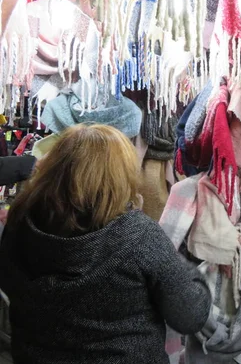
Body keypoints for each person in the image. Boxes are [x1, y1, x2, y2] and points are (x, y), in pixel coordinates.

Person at [0, 124, 211, 364]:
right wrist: (191, 274)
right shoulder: (138, 236)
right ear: (119, 177)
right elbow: (190, 316)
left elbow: (8, 282)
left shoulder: (21, 223)